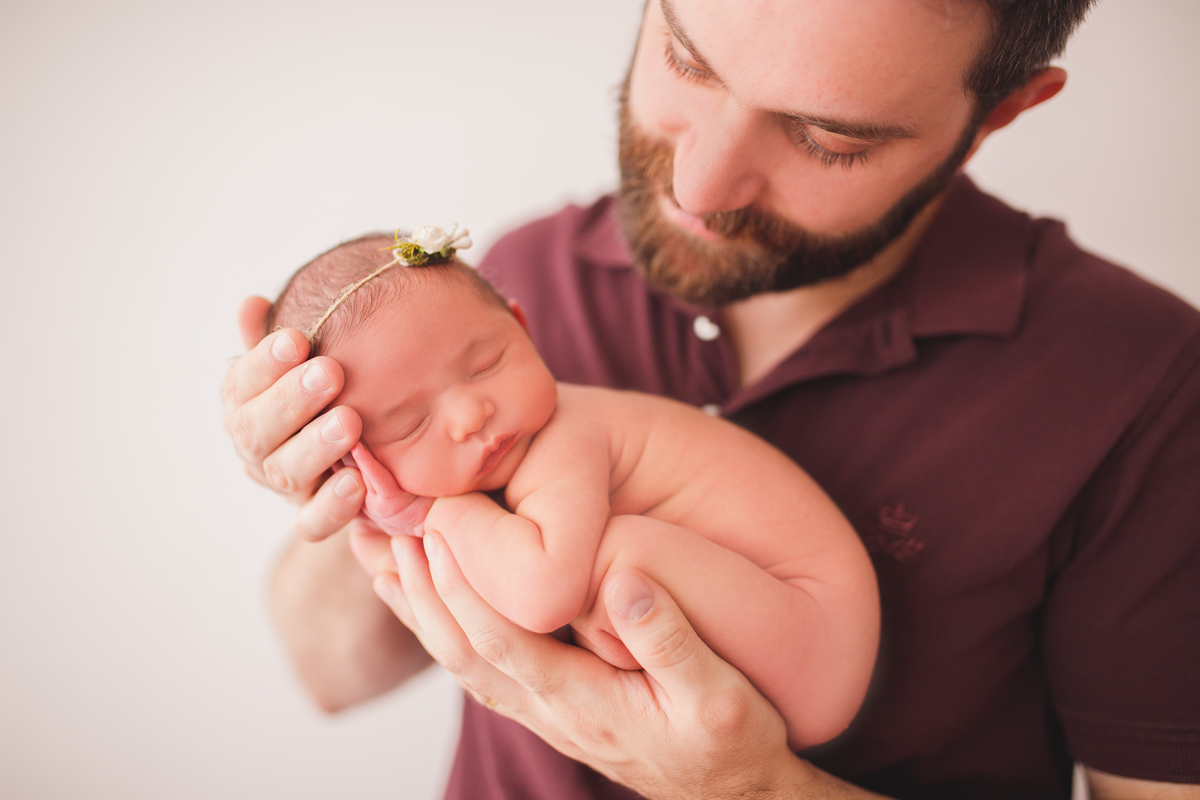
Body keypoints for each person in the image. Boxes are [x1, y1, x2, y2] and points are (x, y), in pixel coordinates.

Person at [221, 1, 1200, 798]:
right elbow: (329, 672)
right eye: (689, 62)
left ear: (1000, 114)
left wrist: (763, 790)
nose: (700, 182)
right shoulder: (503, 294)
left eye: (827, 137)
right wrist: (344, 462)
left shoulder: (1144, 384)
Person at [264, 229, 880, 751]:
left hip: (811, 638)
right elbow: (329, 681)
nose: (471, 414)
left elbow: (541, 595)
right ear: (352, 460)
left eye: (485, 365)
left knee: (609, 554)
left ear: (523, 328)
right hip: (791, 650)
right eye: (410, 423)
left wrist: (431, 514)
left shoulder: (567, 436)